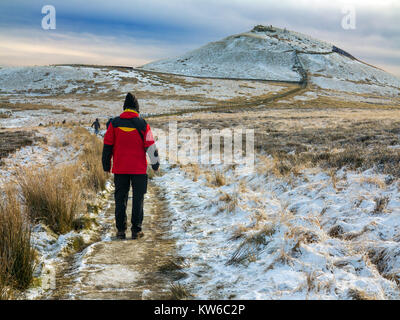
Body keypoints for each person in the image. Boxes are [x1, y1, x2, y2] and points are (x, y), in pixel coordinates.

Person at [102, 93, 160, 240]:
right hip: (139, 170)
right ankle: (136, 231)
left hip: (120, 169)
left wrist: (106, 165)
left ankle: (121, 231)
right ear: (136, 108)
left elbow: (107, 146)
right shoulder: (143, 124)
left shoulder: (114, 123)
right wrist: (155, 165)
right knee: (138, 199)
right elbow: (151, 146)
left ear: (124, 107)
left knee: (120, 199)